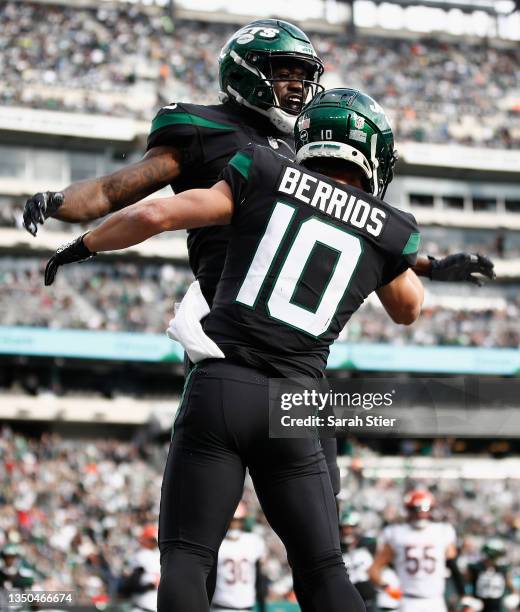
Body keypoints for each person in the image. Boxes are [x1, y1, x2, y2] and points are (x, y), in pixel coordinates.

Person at [43, 86, 424, 611]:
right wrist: (381, 241)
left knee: (188, 558)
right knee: (322, 568)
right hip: (299, 401)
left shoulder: (265, 170)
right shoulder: (391, 228)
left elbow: (155, 216)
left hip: (223, 385)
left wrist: (82, 244)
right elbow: (408, 308)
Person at [369, 489, 464, 612]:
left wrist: (463, 594)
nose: (420, 514)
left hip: (435, 600)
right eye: (416, 510)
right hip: (408, 601)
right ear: (408, 510)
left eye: (425, 510)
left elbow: (453, 565)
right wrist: (386, 587)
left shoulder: (443, 531)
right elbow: (374, 569)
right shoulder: (396, 533)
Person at [211, 502, 267, 612]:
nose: (234, 524)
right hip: (221, 607)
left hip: (246, 607)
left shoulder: (253, 541)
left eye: (237, 520)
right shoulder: (216, 542)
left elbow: (259, 578)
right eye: (232, 520)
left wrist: (262, 606)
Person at [340, 510, 377, 611]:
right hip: (348, 593)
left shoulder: (369, 543)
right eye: (344, 527)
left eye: (350, 527)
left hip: (367, 591)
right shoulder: (338, 548)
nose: (347, 531)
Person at [467, 539, 517, 612]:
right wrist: (468, 597)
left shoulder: (503, 569)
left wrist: (515, 595)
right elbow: (467, 583)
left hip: (497, 605)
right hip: (479, 604)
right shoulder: (476, 568)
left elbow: (510, 584)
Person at [119, 524, 160, 612]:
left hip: (145, 606)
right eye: (152, 540)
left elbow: (132, 585)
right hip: (148, 606)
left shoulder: (144, 555)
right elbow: (134, 584)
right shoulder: (155, 556)